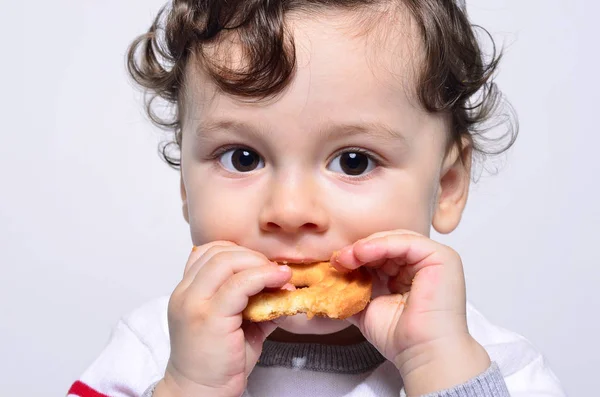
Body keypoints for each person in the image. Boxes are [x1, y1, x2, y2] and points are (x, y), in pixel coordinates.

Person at [68, 0, 566, 396]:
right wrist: (190, 388)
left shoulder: (496, 368)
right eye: (242, 157)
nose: (289, 211)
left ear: (448, 186)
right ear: (185, 186)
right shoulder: (151, 351)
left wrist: (439, 369)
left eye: (354, 161)